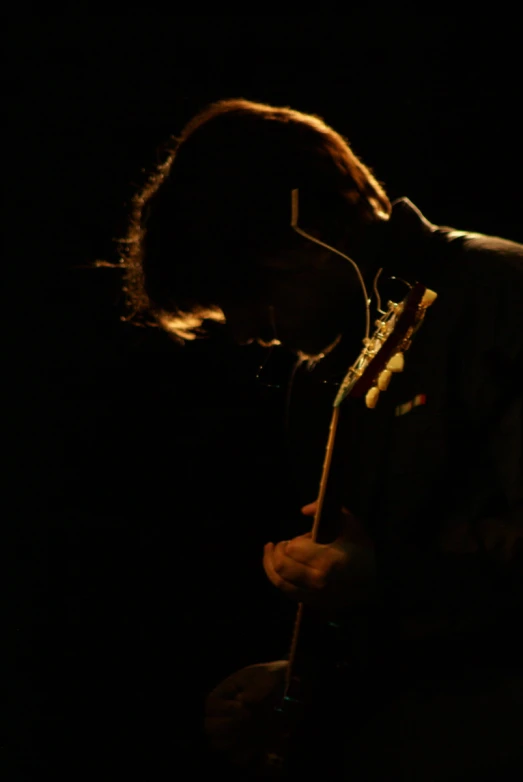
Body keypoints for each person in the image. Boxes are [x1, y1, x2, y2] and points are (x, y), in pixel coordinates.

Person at [120, 99, 523, 779]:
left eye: (250, 293)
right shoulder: (318, 381)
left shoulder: (500, 292)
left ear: (308, 237)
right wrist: (301, 682)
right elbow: (391, 630)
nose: (247, 330)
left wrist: (389, 579)